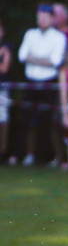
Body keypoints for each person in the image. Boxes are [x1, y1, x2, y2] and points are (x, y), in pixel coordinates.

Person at [18, 3, 67, 166]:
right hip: (31, 81)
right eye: (39, 16)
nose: (42, 19)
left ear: (52, 19)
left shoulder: (59, 37)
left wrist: (34, 59)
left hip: (48, 82)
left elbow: (56, 61)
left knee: (47, 121)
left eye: (45, 17)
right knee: (28, 120)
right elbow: (22, 56)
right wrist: (43, 60)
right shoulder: (30, 34)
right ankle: (29, 155)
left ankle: (48, 157)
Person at [0, 19, 11, 163]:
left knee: (3, 120)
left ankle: (3, 152)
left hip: (2, 89)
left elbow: (4, 68)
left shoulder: (7, 47)